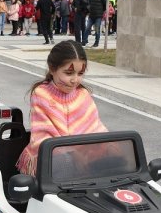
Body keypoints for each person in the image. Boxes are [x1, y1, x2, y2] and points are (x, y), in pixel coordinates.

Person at [16, 41, 107, 177]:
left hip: (84, 160)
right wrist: (73, 154)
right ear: (52, 69)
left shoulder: (83, 95)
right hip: (51, 161)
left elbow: (96, 128)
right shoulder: (41, 94)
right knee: (66, 163)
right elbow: (43, 135)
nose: (75, 80)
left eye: (80, 73)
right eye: (69, 73)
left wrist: (108, 148)